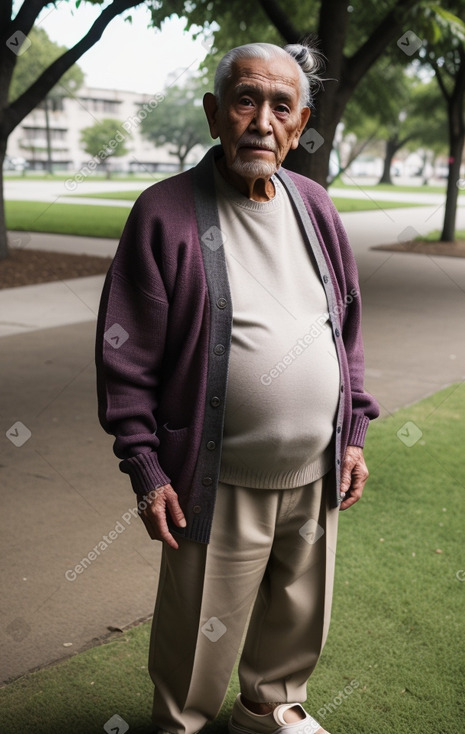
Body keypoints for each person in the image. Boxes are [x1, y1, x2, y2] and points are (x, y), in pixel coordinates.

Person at [96, 41, 379, 734]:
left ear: (300, 118)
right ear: (214, 112)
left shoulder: (314, 204)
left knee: (297, 609)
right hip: (215, 477)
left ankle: (269, 706)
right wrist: (145, 464)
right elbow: (123, 354)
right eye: (245, 100)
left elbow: (345, 328)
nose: (262, 120)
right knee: (198, 627)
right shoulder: (164, 213)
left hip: (313, 468)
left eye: (281, 105)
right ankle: (183, 723)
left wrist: (353, 434)